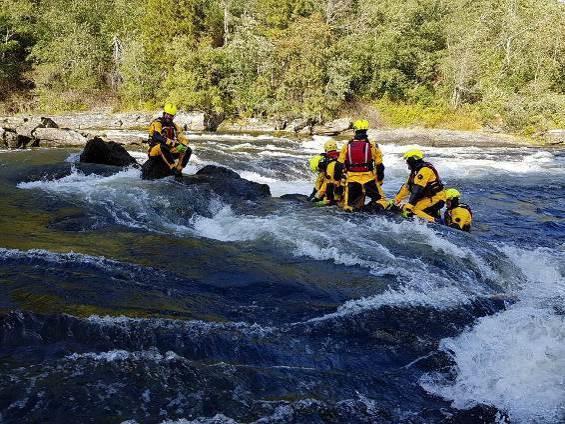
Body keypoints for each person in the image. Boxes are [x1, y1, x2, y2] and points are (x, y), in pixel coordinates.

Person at [337, 119, 388, 212]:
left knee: (349, 206)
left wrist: (338, 182)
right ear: (366, 130)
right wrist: (379, 180)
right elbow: (380, 166)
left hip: (352, 180)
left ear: (355, 130)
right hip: (369, 179)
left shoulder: (347, 146)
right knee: (382, 201)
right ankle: (373, 211)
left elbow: (339, 165)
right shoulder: (372, 145)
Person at [394, 149, 445, 222]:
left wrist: (409, 206)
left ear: (412, 161)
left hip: (437, 198)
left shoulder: (425, 170)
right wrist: (395, 200)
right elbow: (406, 188)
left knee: (413, 210)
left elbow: (417, 190)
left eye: (408, 160)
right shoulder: (415, 172)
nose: (406, 163)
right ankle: (433, 216)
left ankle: (437, 223)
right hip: (428, 197)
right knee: (408, 208)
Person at [146, 103, 192, 179]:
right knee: (163, 146)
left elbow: (181, 136)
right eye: (167, 114)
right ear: (164, 113)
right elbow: (157, 137)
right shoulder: (157, 123)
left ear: (173, 116)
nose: (169, 117)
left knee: (187, 150)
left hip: (169, 150)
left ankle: (178, 169)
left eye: (171, 115)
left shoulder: (174, 125)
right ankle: (173, 168)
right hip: (154, 151)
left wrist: (184, 144)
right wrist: (175, 144)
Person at [307, 140, 343, 205]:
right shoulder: (341, 156)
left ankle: (316, 196)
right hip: (340, 183)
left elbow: (319, 169)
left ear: (326, 148)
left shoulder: (324, 158)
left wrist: (317, 196)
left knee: (322, 177)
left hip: (328, 184)